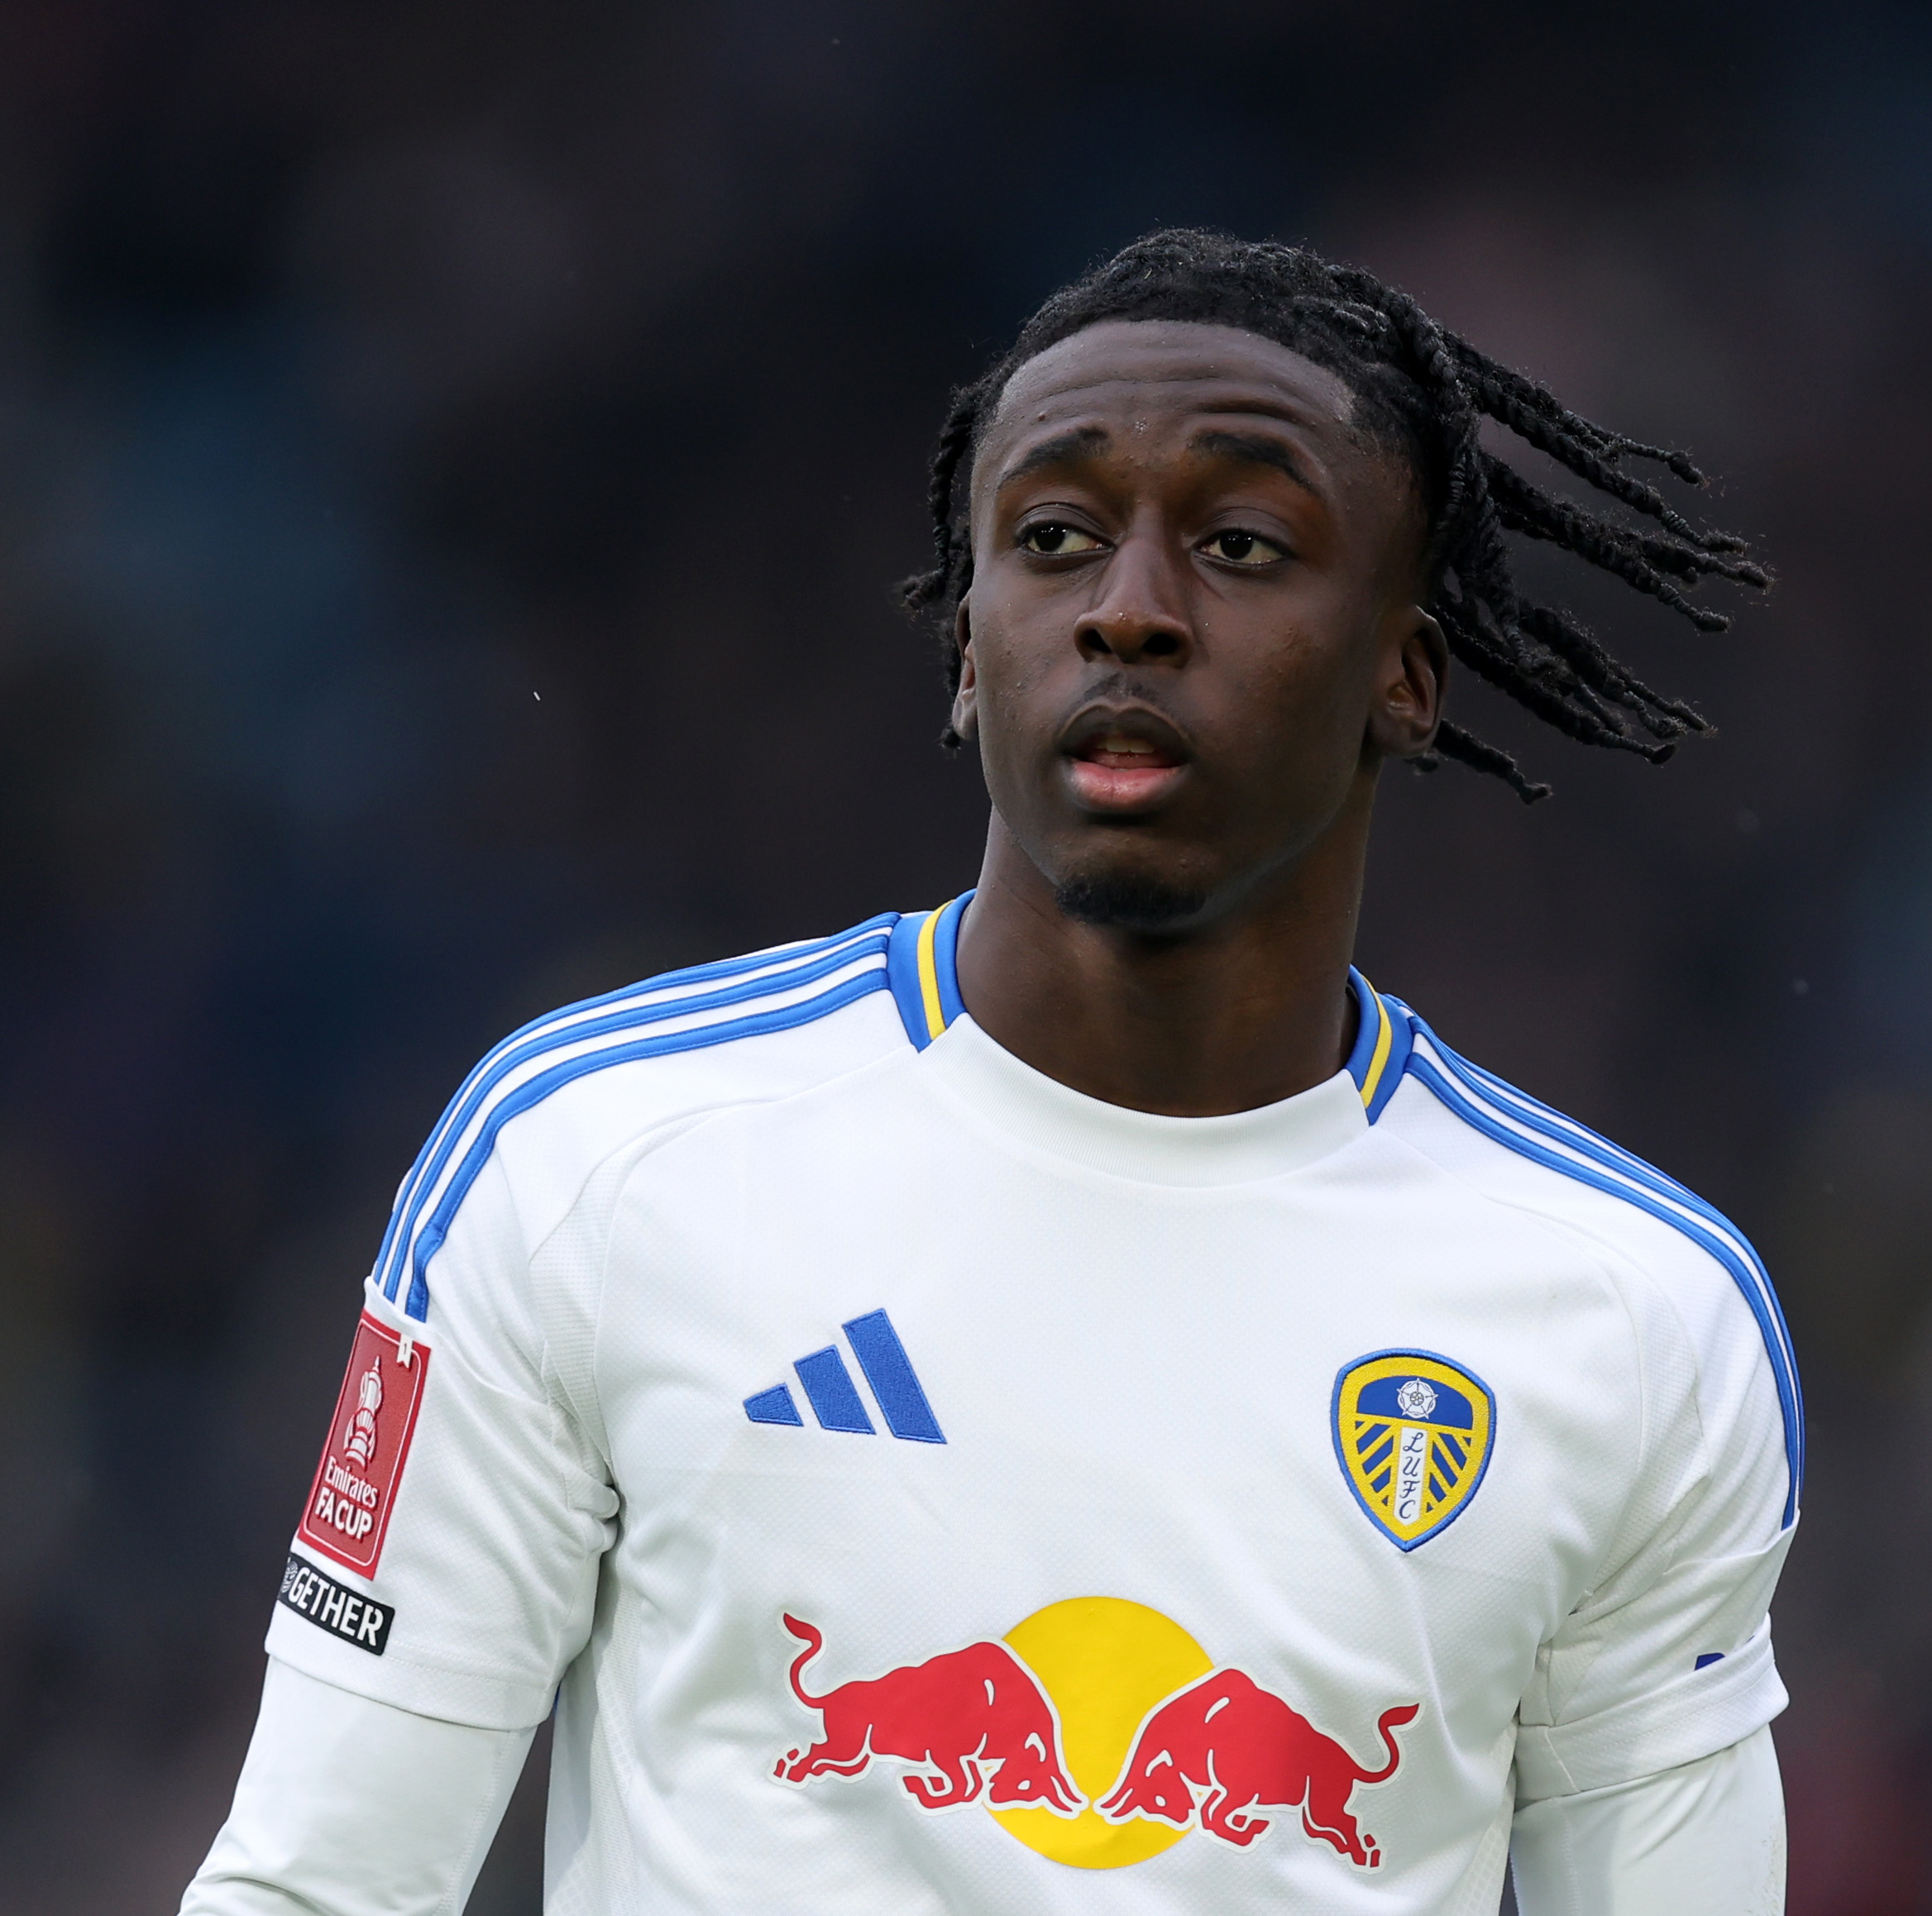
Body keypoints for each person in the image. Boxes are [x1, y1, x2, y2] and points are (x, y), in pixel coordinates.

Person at [181, 229, 1800, 1916]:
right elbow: (320, 1887)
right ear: (967, 646)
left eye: (1241, 543)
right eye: (1052, 540)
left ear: (1404, 667)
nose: (1129, 609)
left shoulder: (1632, 1313)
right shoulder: (597, 1158)